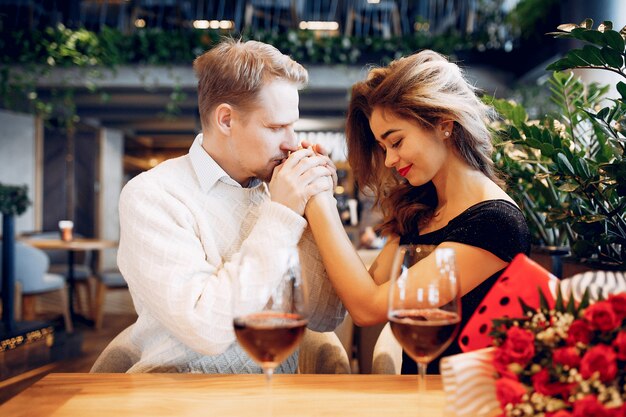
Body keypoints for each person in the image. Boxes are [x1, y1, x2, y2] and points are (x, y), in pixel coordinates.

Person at [96, 39, 346, 374]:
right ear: (226, 120)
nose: (291, 142)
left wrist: (317, 206)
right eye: (275, 127)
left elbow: (325, 315)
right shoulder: (153, 195)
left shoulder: (281, 189)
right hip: (176, 399)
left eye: (293, 125)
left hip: (275, 397)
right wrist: (283, 215)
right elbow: (207, 331)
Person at [304, 49, 531, 373]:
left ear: (443, 124)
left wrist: (318, 198)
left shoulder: (494, 224)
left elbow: (368, 308)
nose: (389, 161)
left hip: (465, 402)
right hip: (420, 393)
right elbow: (362, 288)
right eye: (383, 148)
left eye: (395, 142)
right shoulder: (423, 209)